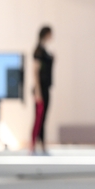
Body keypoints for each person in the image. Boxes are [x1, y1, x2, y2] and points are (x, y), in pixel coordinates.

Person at [31, 26, 54, 155]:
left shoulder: (44, 51)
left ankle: (43, 146)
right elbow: (35, 72)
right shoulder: (38, 51)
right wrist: (38, 91)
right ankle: (33, 145)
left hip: (46, 88)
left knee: (43, 119)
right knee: (38, 119)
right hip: (40, 90)